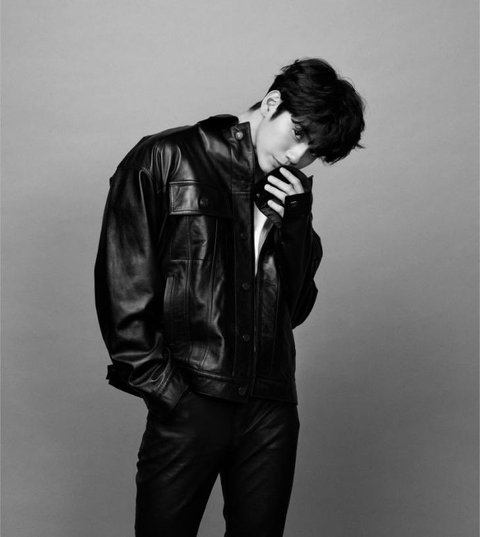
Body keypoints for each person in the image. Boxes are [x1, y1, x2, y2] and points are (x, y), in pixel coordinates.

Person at [94, 57, 365, 537]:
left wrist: (297, 225)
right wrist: (167, 391)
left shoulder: (289, 197)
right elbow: (124, 284)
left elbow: (294, 310)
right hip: (190, 397)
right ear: (272, 103)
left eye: (314, 153)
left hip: (270, 408)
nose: (298, 156)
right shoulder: (166, 157)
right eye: (298, 134)